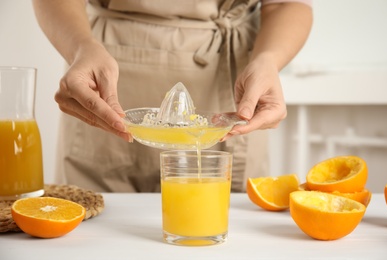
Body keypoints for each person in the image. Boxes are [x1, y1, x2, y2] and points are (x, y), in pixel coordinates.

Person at [32, 0, 313, 192]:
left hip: (231, 84)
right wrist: (80, 48)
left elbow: (285, 3)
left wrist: (268, 60)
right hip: (107, 76)